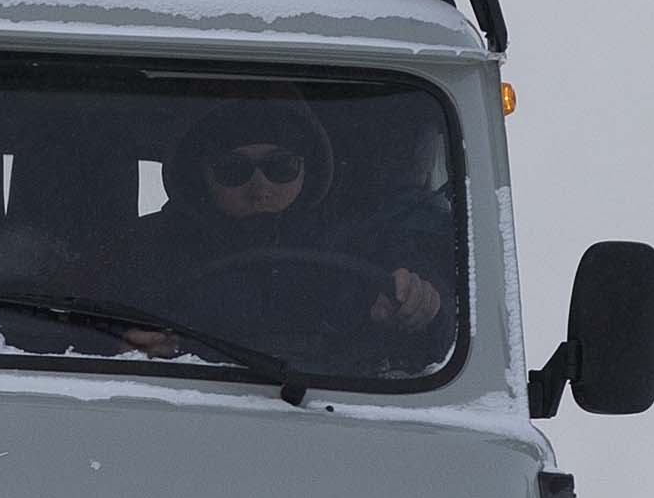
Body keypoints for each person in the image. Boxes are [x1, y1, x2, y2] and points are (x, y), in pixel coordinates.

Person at [137, 99, 449, 355]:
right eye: (233, 170)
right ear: (201, 177)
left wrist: (420, 303)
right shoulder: (152, 249)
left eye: (280, 167)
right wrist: (137, 339)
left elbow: (444, 340)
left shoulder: (364, 241)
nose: (260, 189)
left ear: (307, 170)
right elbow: (100, 331)